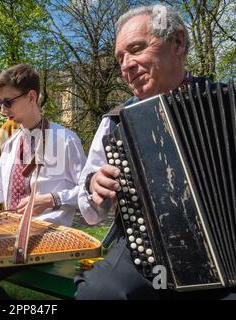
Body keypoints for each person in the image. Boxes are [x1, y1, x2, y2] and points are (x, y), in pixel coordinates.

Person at [75, 4, 236, 300]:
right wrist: (93, 183)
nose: (126, 65)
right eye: (120, 58)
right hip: (147, 249)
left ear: (177, 42)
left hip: (227, 255)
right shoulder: (114, 122)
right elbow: (89, 209)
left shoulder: (228, 105)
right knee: (98, 294)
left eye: (135, 49)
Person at [0, 63, 86, 299]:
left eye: (7, 102)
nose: (2, 110)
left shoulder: (65, 140)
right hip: (12, 231)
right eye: (0, 103)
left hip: (50, 235)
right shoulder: (11, 143)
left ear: (31, 96)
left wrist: (52, 199)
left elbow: (87, 191)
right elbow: (1, 190)